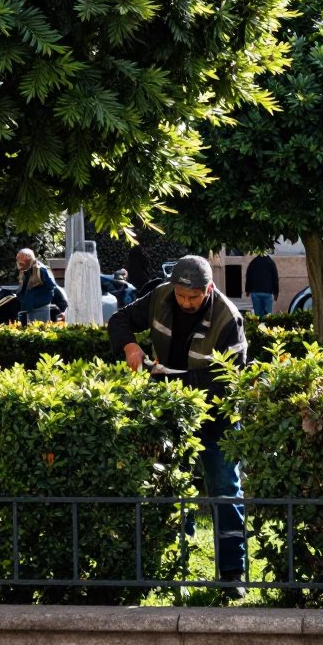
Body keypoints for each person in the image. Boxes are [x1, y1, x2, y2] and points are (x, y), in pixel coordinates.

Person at [108, 255, 248, 596]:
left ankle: (233, 574)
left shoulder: (229, 318)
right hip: (170, 409)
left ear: (209, 289)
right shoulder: (160, 296)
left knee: (224, 489)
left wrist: (176, 382)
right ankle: (176, 560)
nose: (185, 302)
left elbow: (229, 381)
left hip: (217, 415)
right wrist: (129, 346)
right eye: (181, 295)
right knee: (169, 483)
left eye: (193, 297)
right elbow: (120, 318)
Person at [16, 248, 67, 324]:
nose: (19, 263)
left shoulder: (41, 270)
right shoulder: (26, 271)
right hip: (28, 308)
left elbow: (52, 287)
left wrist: (39, 301)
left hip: (40, 308)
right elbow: (23, 288)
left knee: (40, 329)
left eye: (22, 260)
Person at [244, 253, 280, 317]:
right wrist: (276, 292)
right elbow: (275, 278)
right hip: (267, 292)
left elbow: (248, 276)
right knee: (268, 316)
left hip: (255, 292)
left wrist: (247, 290)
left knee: (258, 315)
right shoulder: (271, 263)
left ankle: (259, 326)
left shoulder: (253, 262)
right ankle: (266, 325)